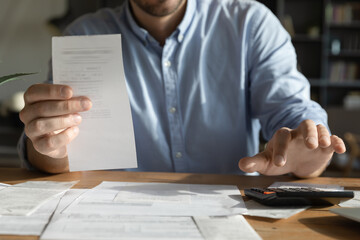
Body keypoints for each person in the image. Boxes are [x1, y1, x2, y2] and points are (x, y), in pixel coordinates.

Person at [18, 0, 345, 177]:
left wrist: (308, 154)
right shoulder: (82, 36)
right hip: (115, 220)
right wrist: (50, 148)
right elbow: (53, 153)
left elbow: (293, 115)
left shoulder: (251, 24)